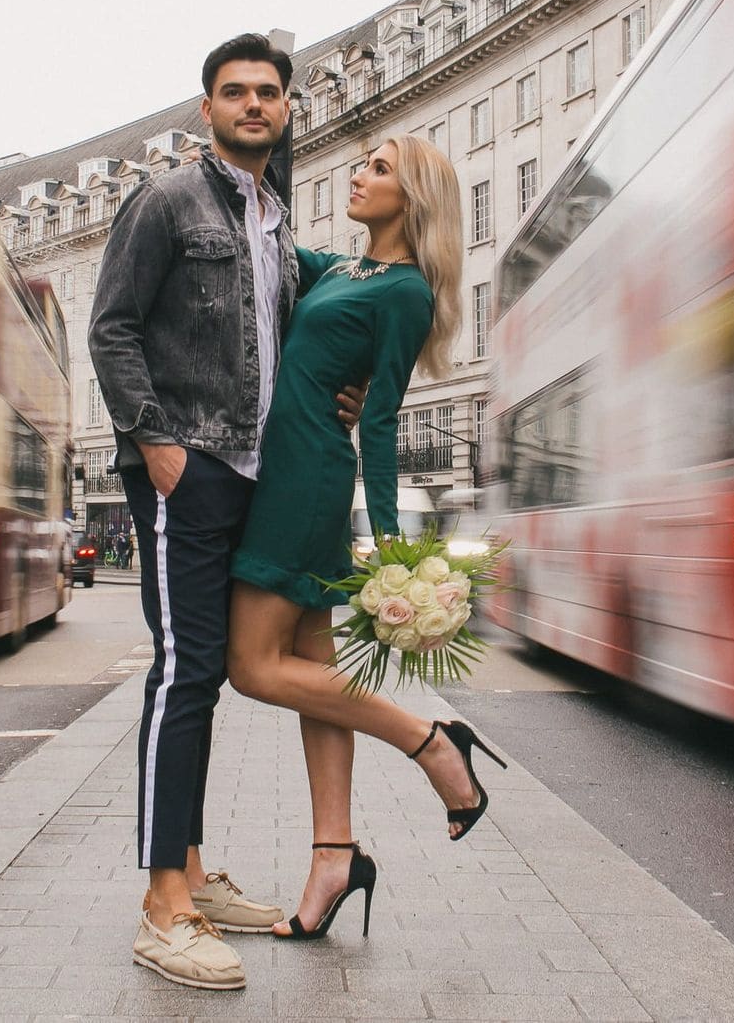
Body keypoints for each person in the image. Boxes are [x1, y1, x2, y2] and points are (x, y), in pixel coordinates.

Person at [90, 32, 357, 991]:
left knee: (215, 676)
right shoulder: (165, 201)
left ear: (287, 109)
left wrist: (344, 389)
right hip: (187, 467)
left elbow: (285, 334)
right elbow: (112, 324)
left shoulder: (276, 218)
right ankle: (163, 904)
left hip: (257, 472)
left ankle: (195, 878)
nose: (254, 105)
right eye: (235, 93)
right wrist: (156, 441)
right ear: (205, 108)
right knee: (186, 674)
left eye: (269, 93)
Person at [226, 133, 499, 942]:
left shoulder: (407, 293)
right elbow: (268, 240)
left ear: (411, 197)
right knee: (310, 673)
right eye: (362, 163)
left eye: (377, 168)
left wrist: (390, 547)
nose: (358, 175)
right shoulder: (342, 270)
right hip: (284, 466)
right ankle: (334, 856)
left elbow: (378, 425)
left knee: (252, 668)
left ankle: (431, 741)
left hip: (303, 479)